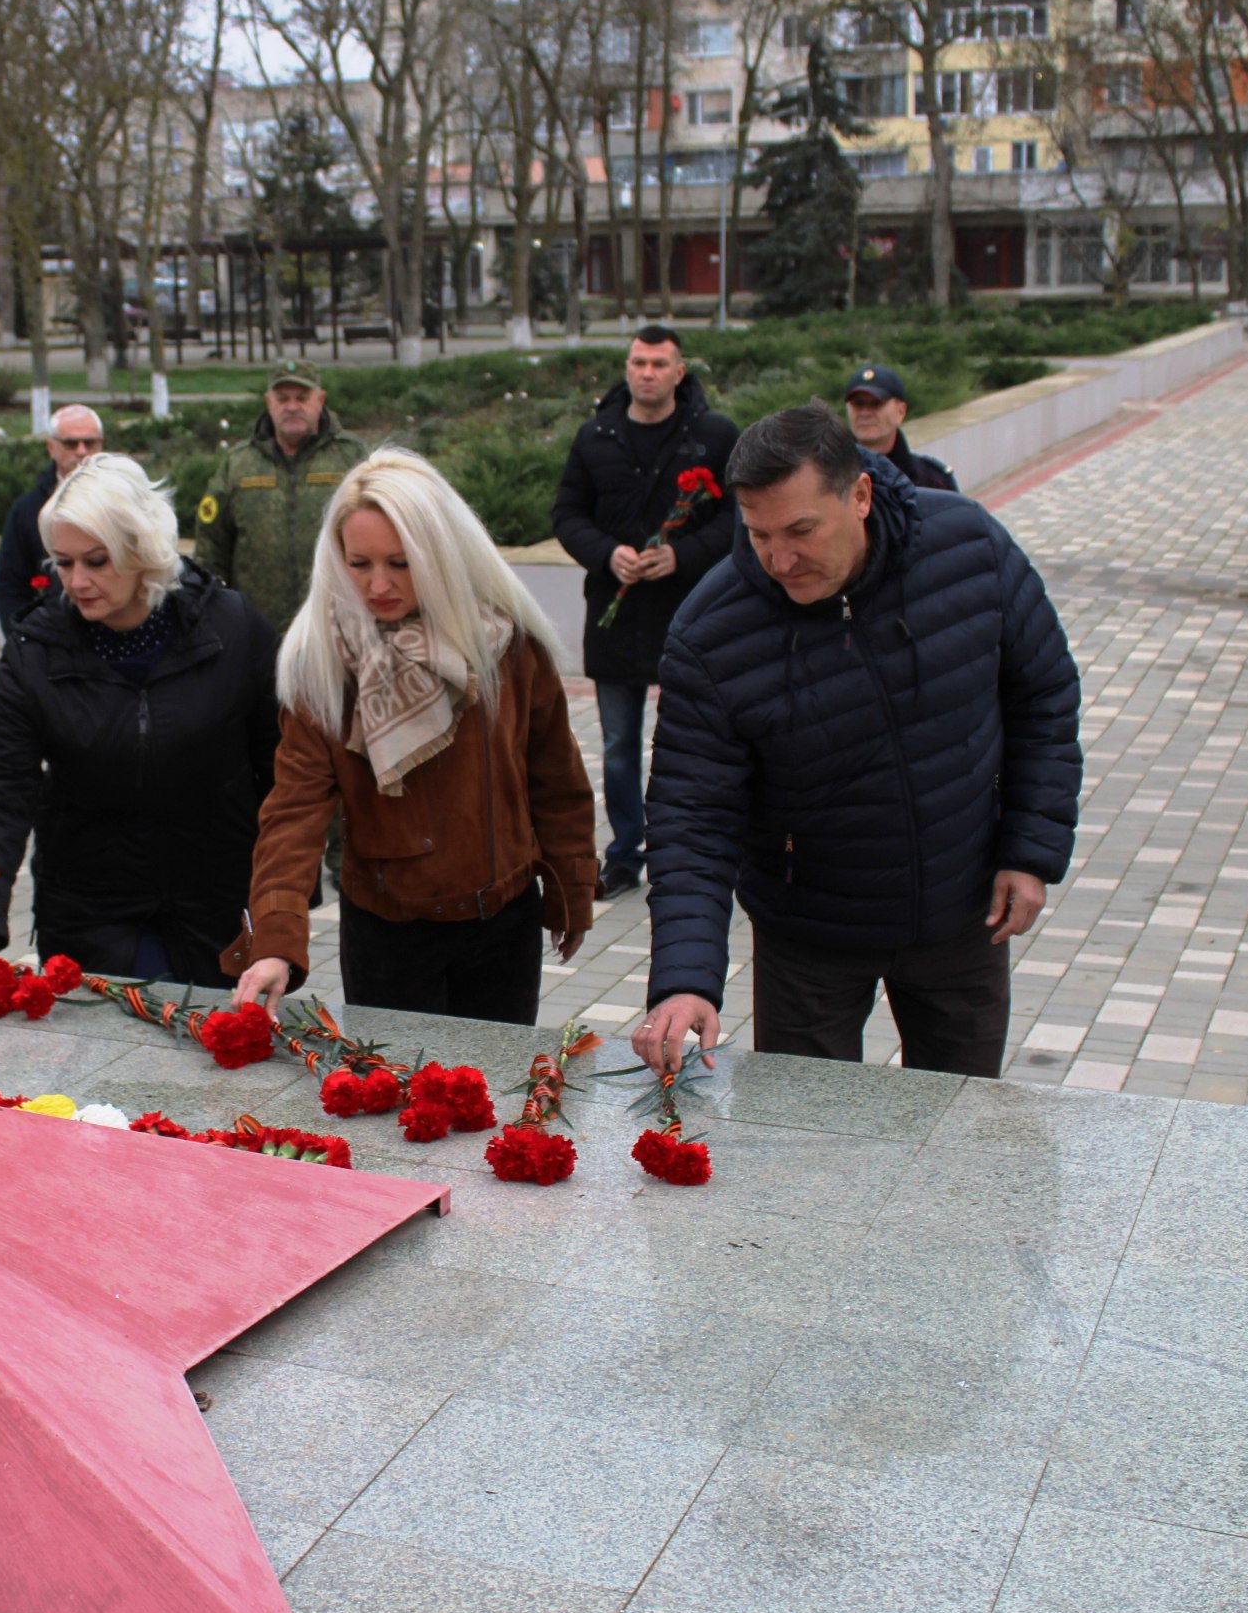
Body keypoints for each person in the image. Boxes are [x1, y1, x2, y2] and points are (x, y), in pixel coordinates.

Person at [632, 403, 1081, 1081]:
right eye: (758, 535)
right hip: (809, 933)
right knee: (808, 1142)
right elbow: (691, 816)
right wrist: (685, 978)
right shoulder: (712, 633)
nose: (781, 559)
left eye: (802, 530)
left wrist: (1030, 849)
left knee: (959, 1129)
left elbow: (1043, 694)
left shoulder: (968, 546)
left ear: (861, 495)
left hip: (962, 910)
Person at [225, 449, 597, 1026]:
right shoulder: (321, 658)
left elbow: (554, 776)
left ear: (442, 554)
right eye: (360, 563)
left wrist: (571, 888)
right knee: (394, 1105)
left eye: (401, 563)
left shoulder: (506, 640)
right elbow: (293, 809)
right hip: (389, 935)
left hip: (503, 926)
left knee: (490, 1102)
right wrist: (276, 940)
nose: (378, 585)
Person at [0, 453, 280, 986]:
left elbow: (281, 770)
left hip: (217, 900)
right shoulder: (36, 647)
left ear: (142, 550)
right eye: (63, 562)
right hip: (88, 907)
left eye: (97, 561)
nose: (77, 580)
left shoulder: (231, 627)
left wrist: (284, 904)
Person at [549, 322, 739, 901]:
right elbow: (566, 514)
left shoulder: (713, 434)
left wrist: (681, 556)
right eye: (638, 362)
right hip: (616, 615)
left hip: (692, 615)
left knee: (698, 743)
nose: (647, 373)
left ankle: (697, 852)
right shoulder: (597, 435)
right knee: (618, 746)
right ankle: (625, 854)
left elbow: (738, 519)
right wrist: (609, 555)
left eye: (659, 364)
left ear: (680, 372)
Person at [193, 360, 370, 634]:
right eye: (282, 398)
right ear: (268, 401)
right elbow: (211, 549)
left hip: (338, 630)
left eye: (302, 397)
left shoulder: (353, 458)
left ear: (320, 400)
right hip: (256, 635)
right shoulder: (238, 465)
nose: (292, 406)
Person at [0, 405, 106, 635]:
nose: (82, 451)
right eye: (71, 444)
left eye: (89, 443)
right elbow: (10, 589)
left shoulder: (127, 504)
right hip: (50, 643)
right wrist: (24, 645)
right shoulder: (26, 511)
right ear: (51, 447)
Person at [841, 365, 958, 493]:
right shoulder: (828, 477)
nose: (865, 413)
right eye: (858, 404)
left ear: (901, 411)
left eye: (876, 404)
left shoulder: (933, 481)